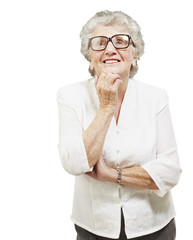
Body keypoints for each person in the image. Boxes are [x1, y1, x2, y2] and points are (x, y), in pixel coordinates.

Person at [57, 10, 182, 240]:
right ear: (90, 58)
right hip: (94, 229)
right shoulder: (70, 96)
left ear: (135, 55)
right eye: (100, 42)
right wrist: (106, 107)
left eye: (121, 42)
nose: (110, 49)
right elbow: (73, 162)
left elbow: (171, 171)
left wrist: (112, 174)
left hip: (154, 226)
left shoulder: (155, 98)